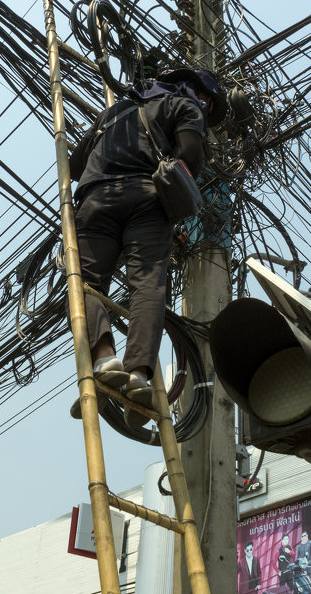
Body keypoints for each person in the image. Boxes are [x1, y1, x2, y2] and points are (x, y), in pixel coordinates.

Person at [68, 68, 226, 421]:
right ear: (198, 92)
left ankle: (105, 358)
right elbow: (190, 157)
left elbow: (76, 166)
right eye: (207, 100)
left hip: (96, 202)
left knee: (85, 285)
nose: (205, 106)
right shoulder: (185, 107)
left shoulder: (113, 113)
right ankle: (138, 374)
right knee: (148, 285)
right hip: (148, 201)